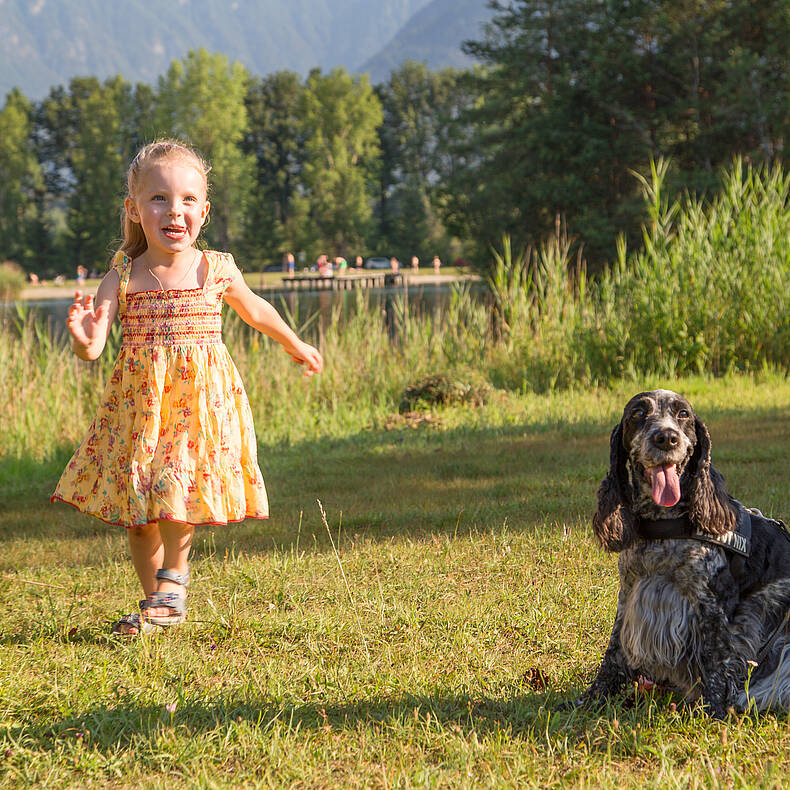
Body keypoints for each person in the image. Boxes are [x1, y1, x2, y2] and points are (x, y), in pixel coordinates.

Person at [51, 139, 323, 636]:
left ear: (204, 210)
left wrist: (296, 343)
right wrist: (83, 337)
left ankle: (172, 589)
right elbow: (94, 346)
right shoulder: (123, 275)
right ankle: (157, 601)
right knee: (139, 507)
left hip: (195, 409)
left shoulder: (215, 268)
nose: (174, 210)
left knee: (176, 488)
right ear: (134, 210)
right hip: (139, 410)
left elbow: (256, 309)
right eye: (158, 198)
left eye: (187, 200)